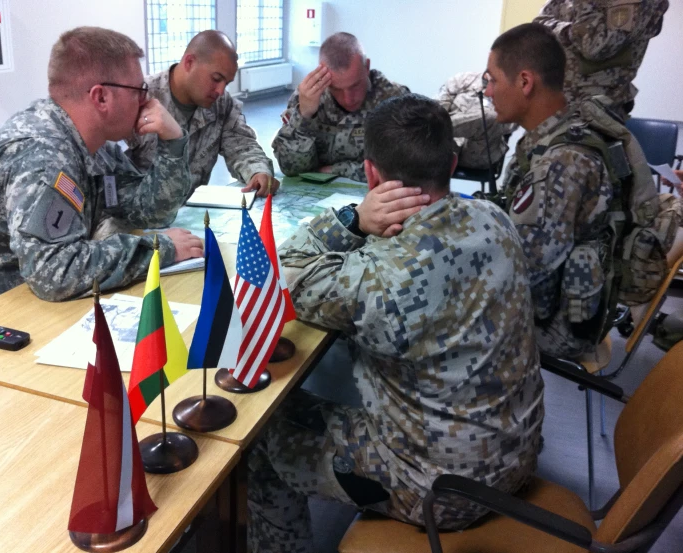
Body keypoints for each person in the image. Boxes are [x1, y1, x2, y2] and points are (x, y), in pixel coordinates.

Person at [248, 94, 545, 551]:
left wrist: (353, 218)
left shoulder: (383, 278)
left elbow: (282, 267)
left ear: (371, 174)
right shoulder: (495, 218)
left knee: (260, 439)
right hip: (517, 454)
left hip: (441, 491)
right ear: (453, 161)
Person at [0, 27, 203, 322]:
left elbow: (149, 212)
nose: (148, 102)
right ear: (101, 97)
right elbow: (54, 272)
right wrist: (160, 249)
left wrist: (173, 142)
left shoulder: (93, 146)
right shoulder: (43, 155)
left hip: (22, 301)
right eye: (140, 91)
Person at [484, 23, 615, 358]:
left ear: (525, 82)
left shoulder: (562, 161)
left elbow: (520, 272)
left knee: (428, 308)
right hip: (550, 295)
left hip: (557, 325)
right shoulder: (545, 137)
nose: (487, 91)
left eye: (492, 79)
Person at [126, 30, 278, 199]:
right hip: (140, 216)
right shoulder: (139, 97)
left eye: (226, 83)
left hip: (192, 214)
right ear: (189, 62)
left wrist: (258, 172)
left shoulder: (221, 104)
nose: (221, 91)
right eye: (216, 78)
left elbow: (241, 145)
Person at [272, 32, 409, 182]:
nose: (348, 99)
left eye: (355, 86)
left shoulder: (394, 99)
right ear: (322, 75)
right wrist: (304, 115)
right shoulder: (307, 97)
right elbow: (292, 169)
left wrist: (339, 170)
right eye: (336, 89)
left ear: (367, 67)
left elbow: (402, 167)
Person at [535, 0, 669, 118]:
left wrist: (562, 32)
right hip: (550, 102)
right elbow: (537, 29)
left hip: (593, 113)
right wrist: (569, 32)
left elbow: (595, 46)